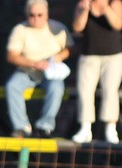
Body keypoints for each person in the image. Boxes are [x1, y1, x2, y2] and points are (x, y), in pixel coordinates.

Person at [5, 0, 74, 138]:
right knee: (12, 86)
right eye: (32, 15)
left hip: (51, 73)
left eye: (40, 15)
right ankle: (21, 127)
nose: (36, 18)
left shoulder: (57, 28)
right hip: (27, 71)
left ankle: (45, 127)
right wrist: (33, 63)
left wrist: (58, 57)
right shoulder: (20, 30)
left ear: (47, 15)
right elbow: (11, 56)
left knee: (57, 88)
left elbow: (69, 48)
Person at [70, 0, 122, 144]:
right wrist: (85, 11)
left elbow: (118, 25)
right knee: (85, 90)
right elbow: (77, 28)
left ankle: (110, 127)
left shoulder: (114, 3)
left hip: (113, 56)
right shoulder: (83, 4)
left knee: (110, 90)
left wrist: (105, 8)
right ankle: (85, 127)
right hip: (89, 56)